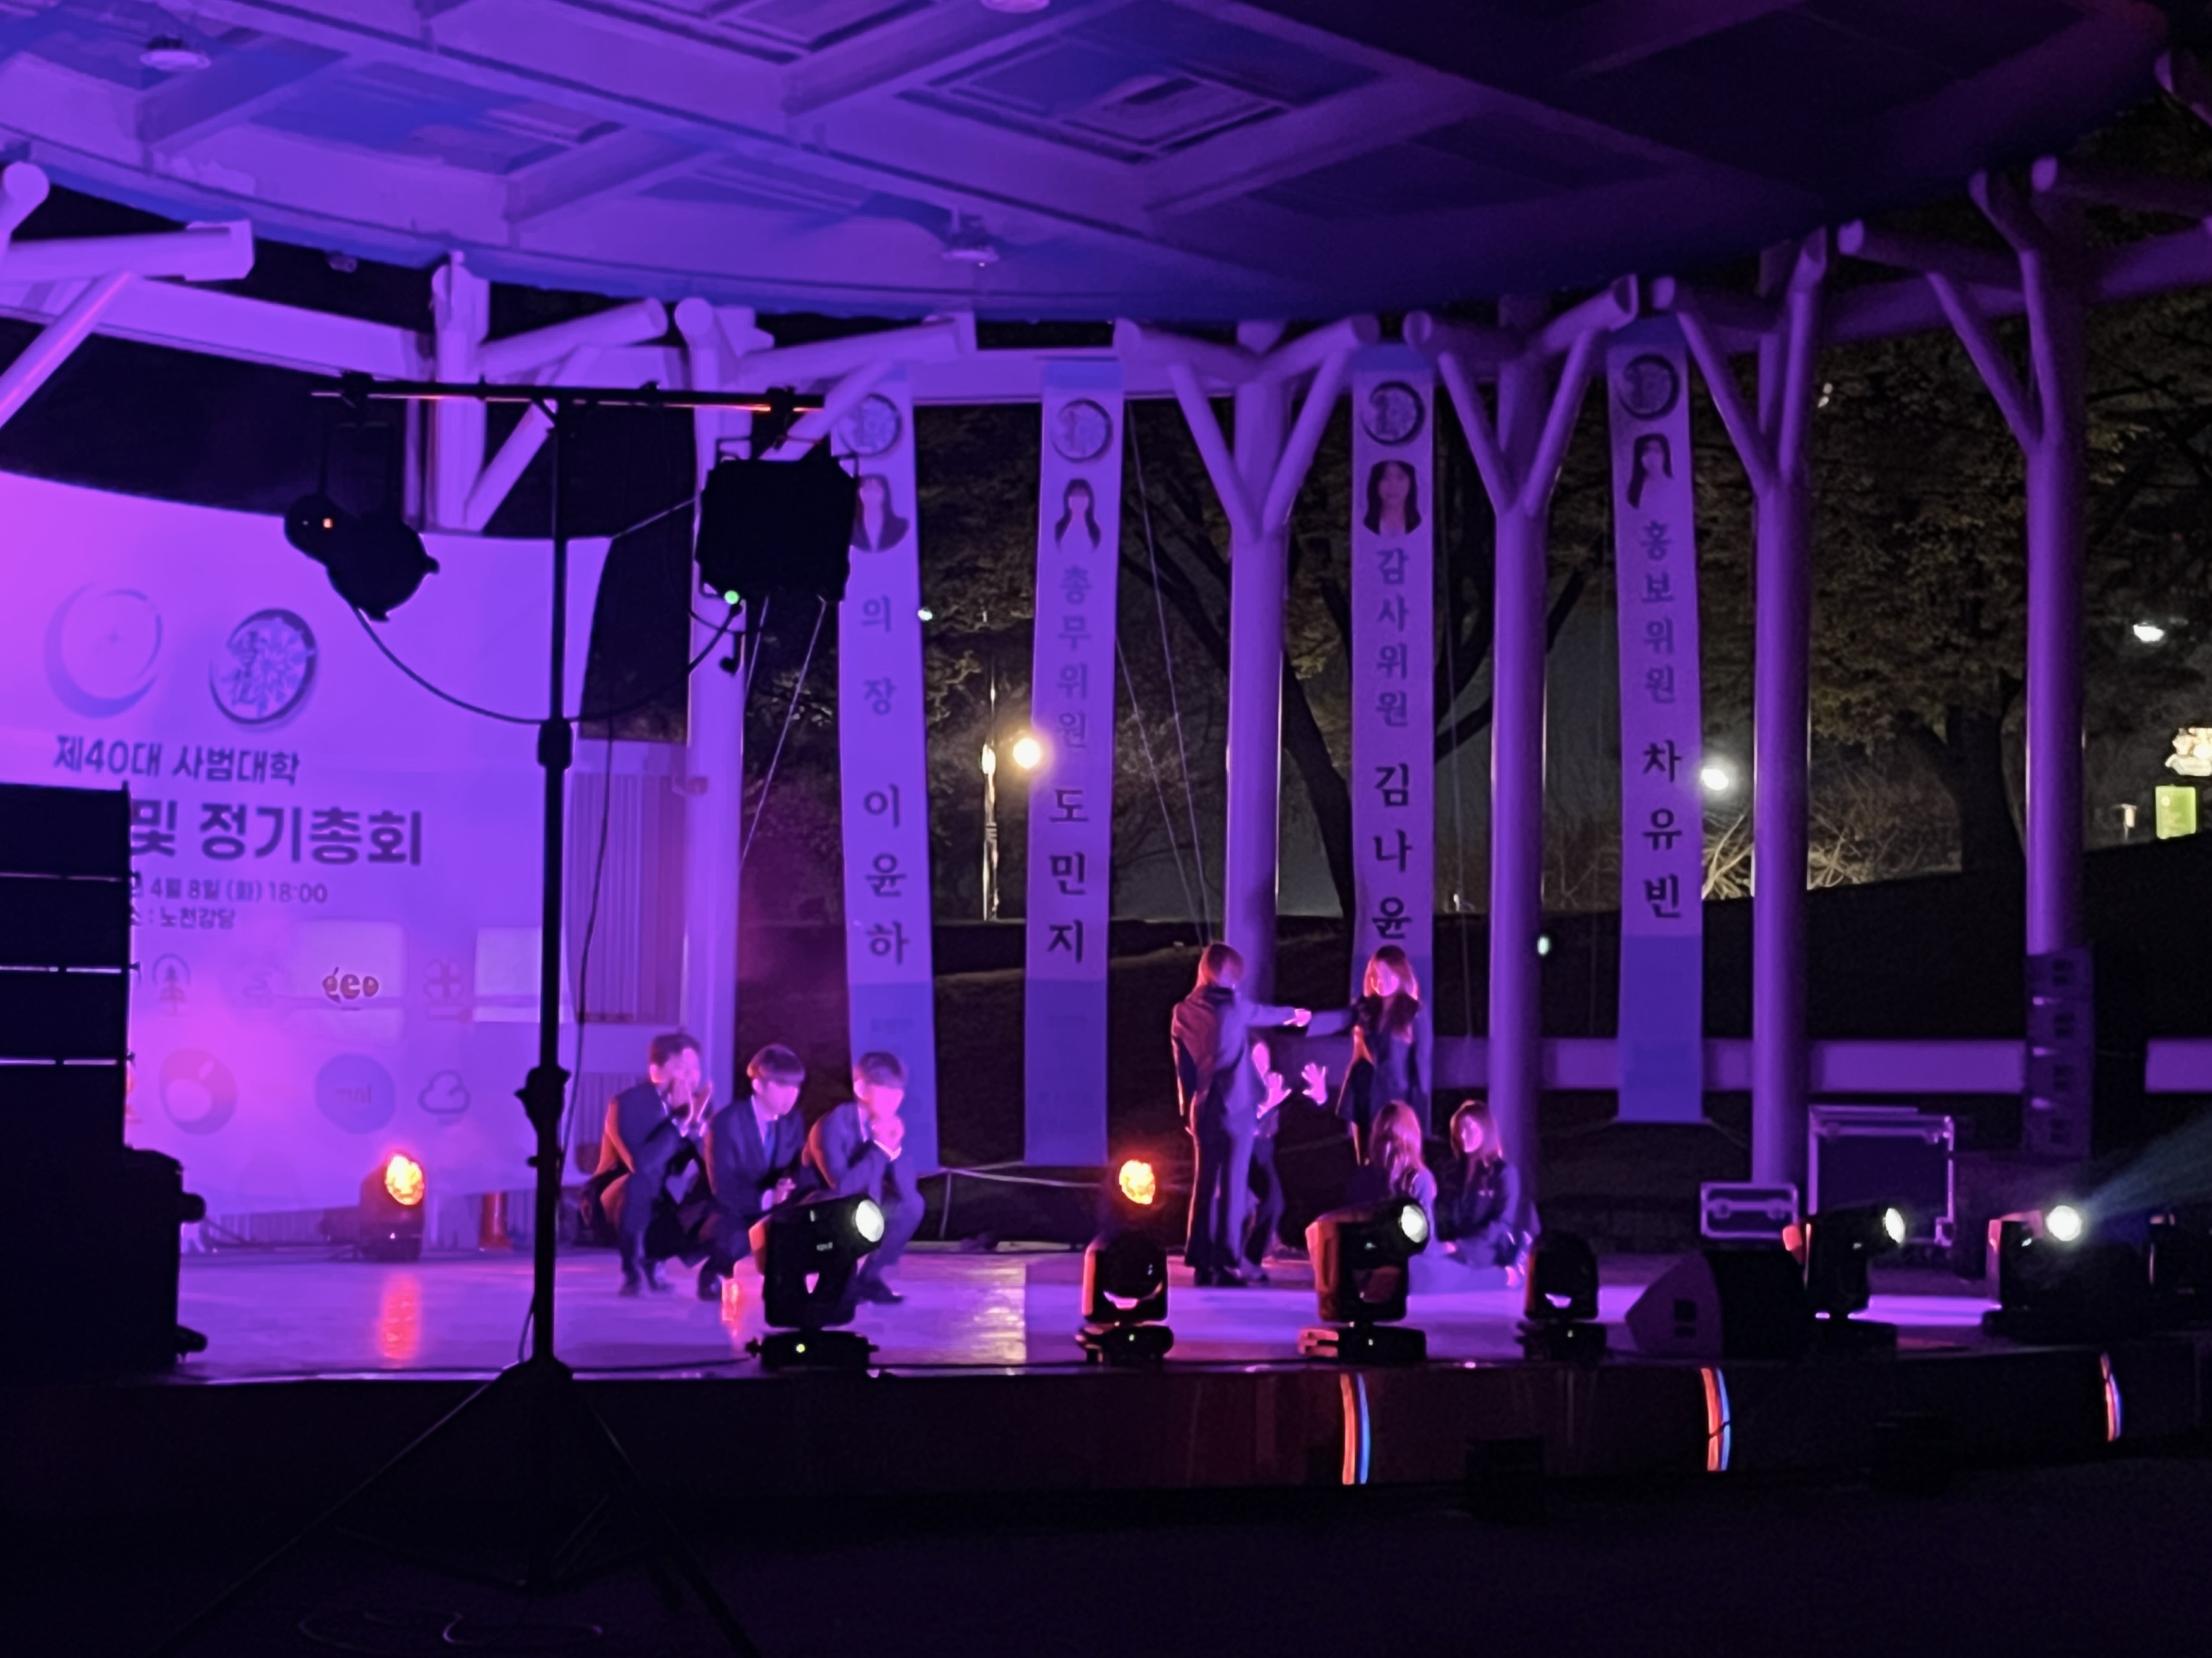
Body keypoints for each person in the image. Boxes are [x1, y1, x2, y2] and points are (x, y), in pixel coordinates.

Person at [1170, 942, 1311, 1287]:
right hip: (1238, 1107)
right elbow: (1266, 1014)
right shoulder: (1234, 1006)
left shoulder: (1182, 1011)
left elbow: (1183, 1067)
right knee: (1234, 1186)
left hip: (1203, 1106)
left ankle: (1202, 1261)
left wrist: (1187, 1108)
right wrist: (1296, 1014)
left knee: (1205, 1185)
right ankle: (1227, 1262)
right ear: (1233, 975)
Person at [590, 1031, 712, 1296]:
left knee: (727, 1188)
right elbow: (641, 1164)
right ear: (656, 1071)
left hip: (666, 1198)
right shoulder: (629, 1103)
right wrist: (678, 1123)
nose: (690, 1076)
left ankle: (680, 1261)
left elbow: (711, 1165)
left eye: (695, 1068)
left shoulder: (699, 1105)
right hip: (618, 1197)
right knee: (641, 1182)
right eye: (681, 1067)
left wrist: (698, 1130)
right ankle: (634, 1272)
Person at [691, 1043, 811, 1302]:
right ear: (759, 1085)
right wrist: (769, 1197)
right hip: (730, 1208)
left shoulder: (792, 1121)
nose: (792, 1094)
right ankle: (715, 1270)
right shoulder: (726, 1122)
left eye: (796, 1086)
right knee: (734, 1235)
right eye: (783, 1085)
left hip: (775, 1207)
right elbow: (723, 1186)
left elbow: (796, 1167)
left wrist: (789, 1187)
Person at [804, 1050, 922, 1305]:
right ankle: (835, 1278)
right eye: (886, 1090)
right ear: (861, 1088)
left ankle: (869, 1277)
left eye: (899, 1092)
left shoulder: (886, 1124)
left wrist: (894, 1149)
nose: (895, 1099)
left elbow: (907, 1189)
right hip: (815, 1213)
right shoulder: (832, 1125)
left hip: (861, 1206)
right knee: (839, 1204)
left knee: (912, 1205)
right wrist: (880, 1149)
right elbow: (841, 1187)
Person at [1312, 945, 1428, 1160]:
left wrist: (1420, 1108)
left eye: (1387, 975)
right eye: (1376, 975)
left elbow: (1422, 1062)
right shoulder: (1364, 1009)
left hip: (1396, 1095)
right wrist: (1303, 1022)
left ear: (1401, 975)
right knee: (1366, 1158)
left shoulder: (1415, 1012)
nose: (1380, 981)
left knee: (1395, 1154)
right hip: (1364, 1090)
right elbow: (1341, 1023)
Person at [1241, 1043, 1326, 1284]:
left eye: (1265, 1061)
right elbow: (1240, 1123)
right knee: (1258, 1202)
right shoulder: (1241, 1086)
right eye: (1256, 1062)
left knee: (1274, 1202)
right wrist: (1265, 1107)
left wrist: (1319, 1095)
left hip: (1264, 1151)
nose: (1263, 1068)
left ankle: (1251, 1257)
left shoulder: (1274, 1082)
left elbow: (1302, 1102)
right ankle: (1242, 1258)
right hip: (1242, 1151)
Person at [1433, 1099, 1526, 1271]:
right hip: (1451, 1252)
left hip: (1487, 1256)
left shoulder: (1503, 1173)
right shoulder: (1451, 1172)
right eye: (1459, 1129)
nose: (1463, 1135)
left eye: (1470, 1128)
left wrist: (1461, 1246)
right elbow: (1443, 1215)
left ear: (1486, 1129)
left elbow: (1503, 1222)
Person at [1362, 1100, 1437, 1212]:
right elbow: (1426, 1221)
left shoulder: (1362, 1177)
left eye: (1391, 1138)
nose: (1388, 1145)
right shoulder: (1421, 1178)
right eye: (1385, 1138)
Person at [1362, 459, 1421, 536]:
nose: (1393, 485)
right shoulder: (1367, 526)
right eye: (1385, 478)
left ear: (1411, 483)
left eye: (1400, 478)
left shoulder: (1418, 526)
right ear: (1376, 484)